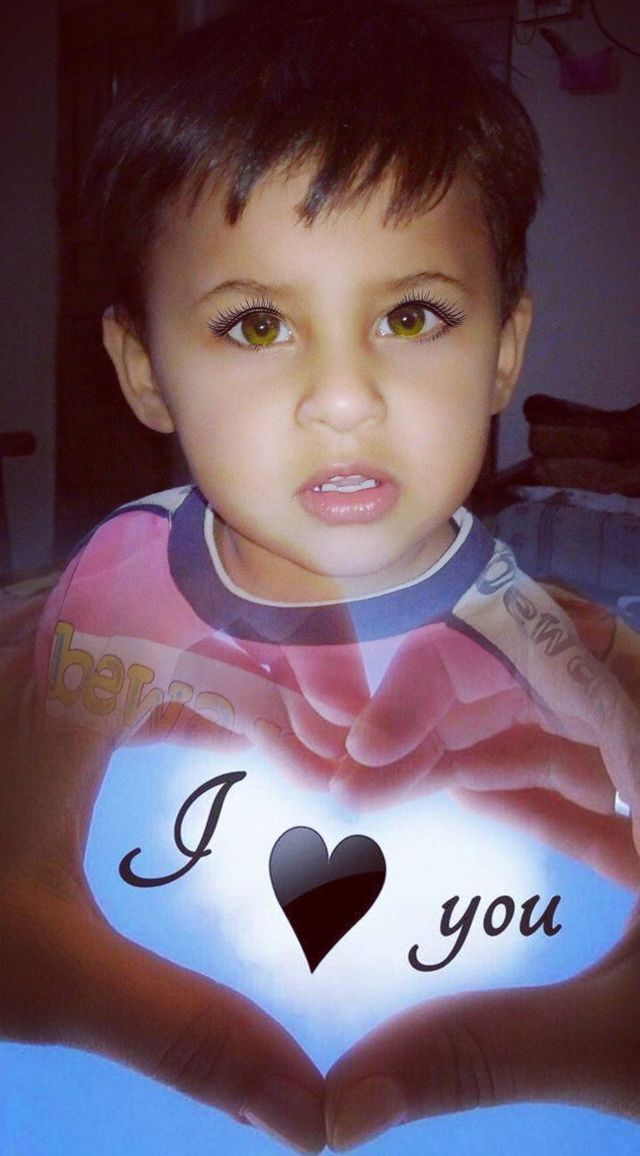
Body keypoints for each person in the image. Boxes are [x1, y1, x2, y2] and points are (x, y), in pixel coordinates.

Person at [2, 1, 639, 1150]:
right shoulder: (124, 577)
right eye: (255, 325)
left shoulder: (502, 591)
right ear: (143, 370)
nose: (343, 400)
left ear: (502, 351)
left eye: (411, 314)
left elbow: (604, 709)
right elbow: (24, 847)